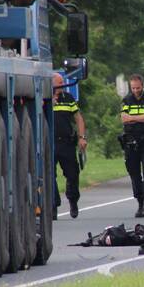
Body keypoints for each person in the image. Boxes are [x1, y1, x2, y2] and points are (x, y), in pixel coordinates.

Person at [120, 74, 144, 218]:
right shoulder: (126, 101)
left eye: (138, 87)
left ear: (142, 86)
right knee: (134, 175)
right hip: (131, 143)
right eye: (133, 88)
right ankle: (141, 203)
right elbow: (124, 119)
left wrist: (133, 118)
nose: (136, 90)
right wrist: (142, 118)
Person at [52, 73, 86, 219]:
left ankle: (73, 200)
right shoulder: (44, 98)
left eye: (62, 82)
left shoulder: (68, 98)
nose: (62, 85)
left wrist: (81, 137)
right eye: (59, 82)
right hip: (50, 143)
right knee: (48, 176)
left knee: (73, 174)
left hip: (66, 142)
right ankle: (52, 205)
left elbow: (78, 118)